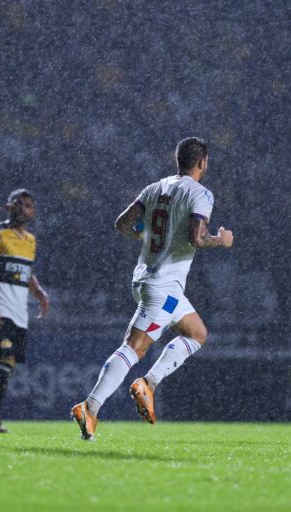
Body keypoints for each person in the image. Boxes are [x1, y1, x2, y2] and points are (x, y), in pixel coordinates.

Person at [70, 137, 233, 440]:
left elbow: (121, 224)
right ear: (202, 163)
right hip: (164, 287)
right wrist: (220, 240)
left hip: (148, 277)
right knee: (135, 347)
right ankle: (90, 407)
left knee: (196, 333)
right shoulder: (201, 193)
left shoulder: (154, 188)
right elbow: (198, 238)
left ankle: (149, 383)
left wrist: (146, 237)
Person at [0, 189, 50, 433]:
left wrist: (39, 293)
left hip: (20, 312)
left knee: (8, 366)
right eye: (19, 204)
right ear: (8, 207)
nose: (24, 209)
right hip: (0, 307)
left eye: (28, 205)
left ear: (33, 211)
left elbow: (25, 272)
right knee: (5, 359)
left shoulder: (30, 240)